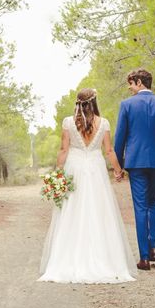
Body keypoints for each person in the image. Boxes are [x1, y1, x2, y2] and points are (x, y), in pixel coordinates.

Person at [38, 88, 138, 284]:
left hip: (74, 167)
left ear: (78, 103)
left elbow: (63, 149)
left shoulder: (68, 122)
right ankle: (104, 260)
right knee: (99, 211)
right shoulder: (104, 123)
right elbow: (109, 150)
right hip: (95, 169)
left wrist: (58, 173)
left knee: (72, 211)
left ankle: (68, 259)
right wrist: (118, 170)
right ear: (94, 103)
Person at [114, 69, 155, 271]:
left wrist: (118, 166)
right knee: (154, 202)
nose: (130, 88)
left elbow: (120, 138)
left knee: (140, 207)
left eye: (131, 83)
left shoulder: (126, 105)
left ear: (139, 82)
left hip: (136, 162)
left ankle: (144, 258)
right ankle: (154, 247)